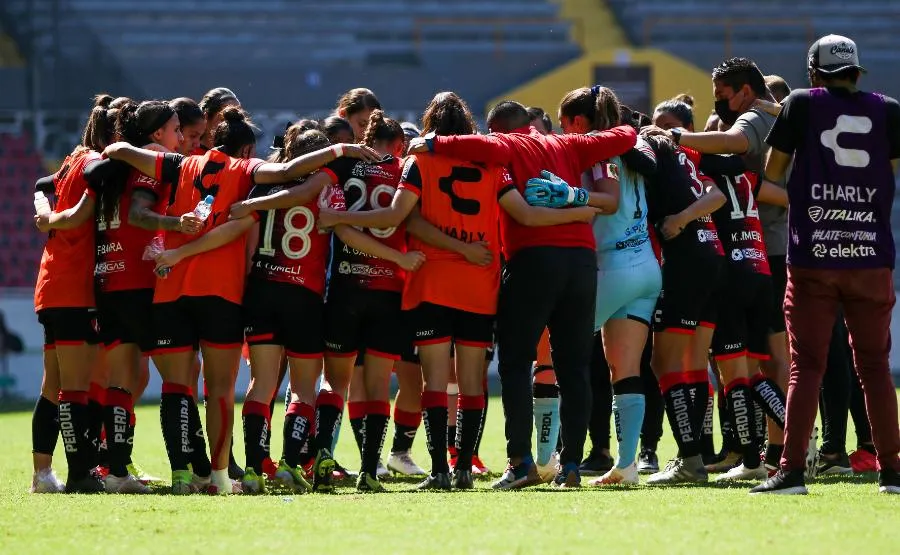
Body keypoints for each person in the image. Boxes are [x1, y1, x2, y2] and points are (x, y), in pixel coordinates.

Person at [321, 91, 599, 490]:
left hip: (432, 281)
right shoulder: (493, 164)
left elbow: (403, 219)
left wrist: (337, 217)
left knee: (435, 382)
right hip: (479, 283)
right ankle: (465, 468)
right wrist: (582, 210)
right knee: (472, 383)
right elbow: (523, 213)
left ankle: (439, 471)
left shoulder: (419, 162)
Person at [103, 107, 381, 494]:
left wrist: (115, 147)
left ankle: (191, 473)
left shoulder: (182, 165)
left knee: (182, 387)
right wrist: (340, 152)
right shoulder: (248, 173)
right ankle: (225, 474)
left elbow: (138, 157)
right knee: (232, 389)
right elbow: (288, 179)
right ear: (245, 148)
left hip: (185, 289)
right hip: (236, 292)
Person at [408, 97, 637, 488]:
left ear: (498, 128)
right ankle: (570, 468)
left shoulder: (507, 144)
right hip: (581, 264)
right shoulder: (568, 143)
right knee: (575, 367)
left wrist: (432, 144)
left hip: (532, 261)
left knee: (516, 364)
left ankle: (521, 463)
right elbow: (626, 136)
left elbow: (475, 145)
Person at [750, 35, 900, 495]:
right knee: (874, 365)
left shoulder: (799, 102)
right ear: (857, 71)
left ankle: (792, 470)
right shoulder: (889, 108)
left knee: (807, 365)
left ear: (814, 73)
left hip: (814, 254)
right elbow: (887, 175)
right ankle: (892, 471)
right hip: (870, 253)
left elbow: (773, 175)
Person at [37, 100, 193, 493]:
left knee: (88, 381)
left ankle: (88, 469)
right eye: (178, 129)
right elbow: (96, 211)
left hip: (89, 280)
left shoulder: (81, 160)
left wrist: (44, 210)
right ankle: (90, 472)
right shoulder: (116, 165)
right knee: (92, 384)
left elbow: (43, 185)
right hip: (99, 284)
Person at [667, 58, 793, 471]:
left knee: (738, 373)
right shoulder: (744, 173)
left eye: (722, 96)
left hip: (735, 271)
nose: (719, 108)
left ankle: (786, 436)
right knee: (755, 368)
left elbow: (732, 147)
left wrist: (677, 138)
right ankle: (760, 452)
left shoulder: (712, 161)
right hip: (759, 261)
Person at [553, 87, 661, 486]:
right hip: (645, 267)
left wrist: (567, 195)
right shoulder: (633, 147)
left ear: (579, 123)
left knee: (552, 354)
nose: (562, 132)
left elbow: (607, 200)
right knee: (625, 367)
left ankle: (552, 459)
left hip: (611, 267)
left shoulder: (598, 152)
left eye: (564, 123)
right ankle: (627, 464)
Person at [31, 94, 117, 493]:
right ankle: (82, 474)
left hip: (51, 283)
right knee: (76, 387)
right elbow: (81, 213)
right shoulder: (96, 165)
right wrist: (49, 215)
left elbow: (41, 184)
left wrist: (41, 205)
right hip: (74, 287)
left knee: (54, 384)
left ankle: (43, 474)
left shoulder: (71, 160)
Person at [198, 87, 240, 151]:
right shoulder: (188, 155)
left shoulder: (242, 156)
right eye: (224, 119)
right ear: (205, 118)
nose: (233, 126)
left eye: (238, 119)